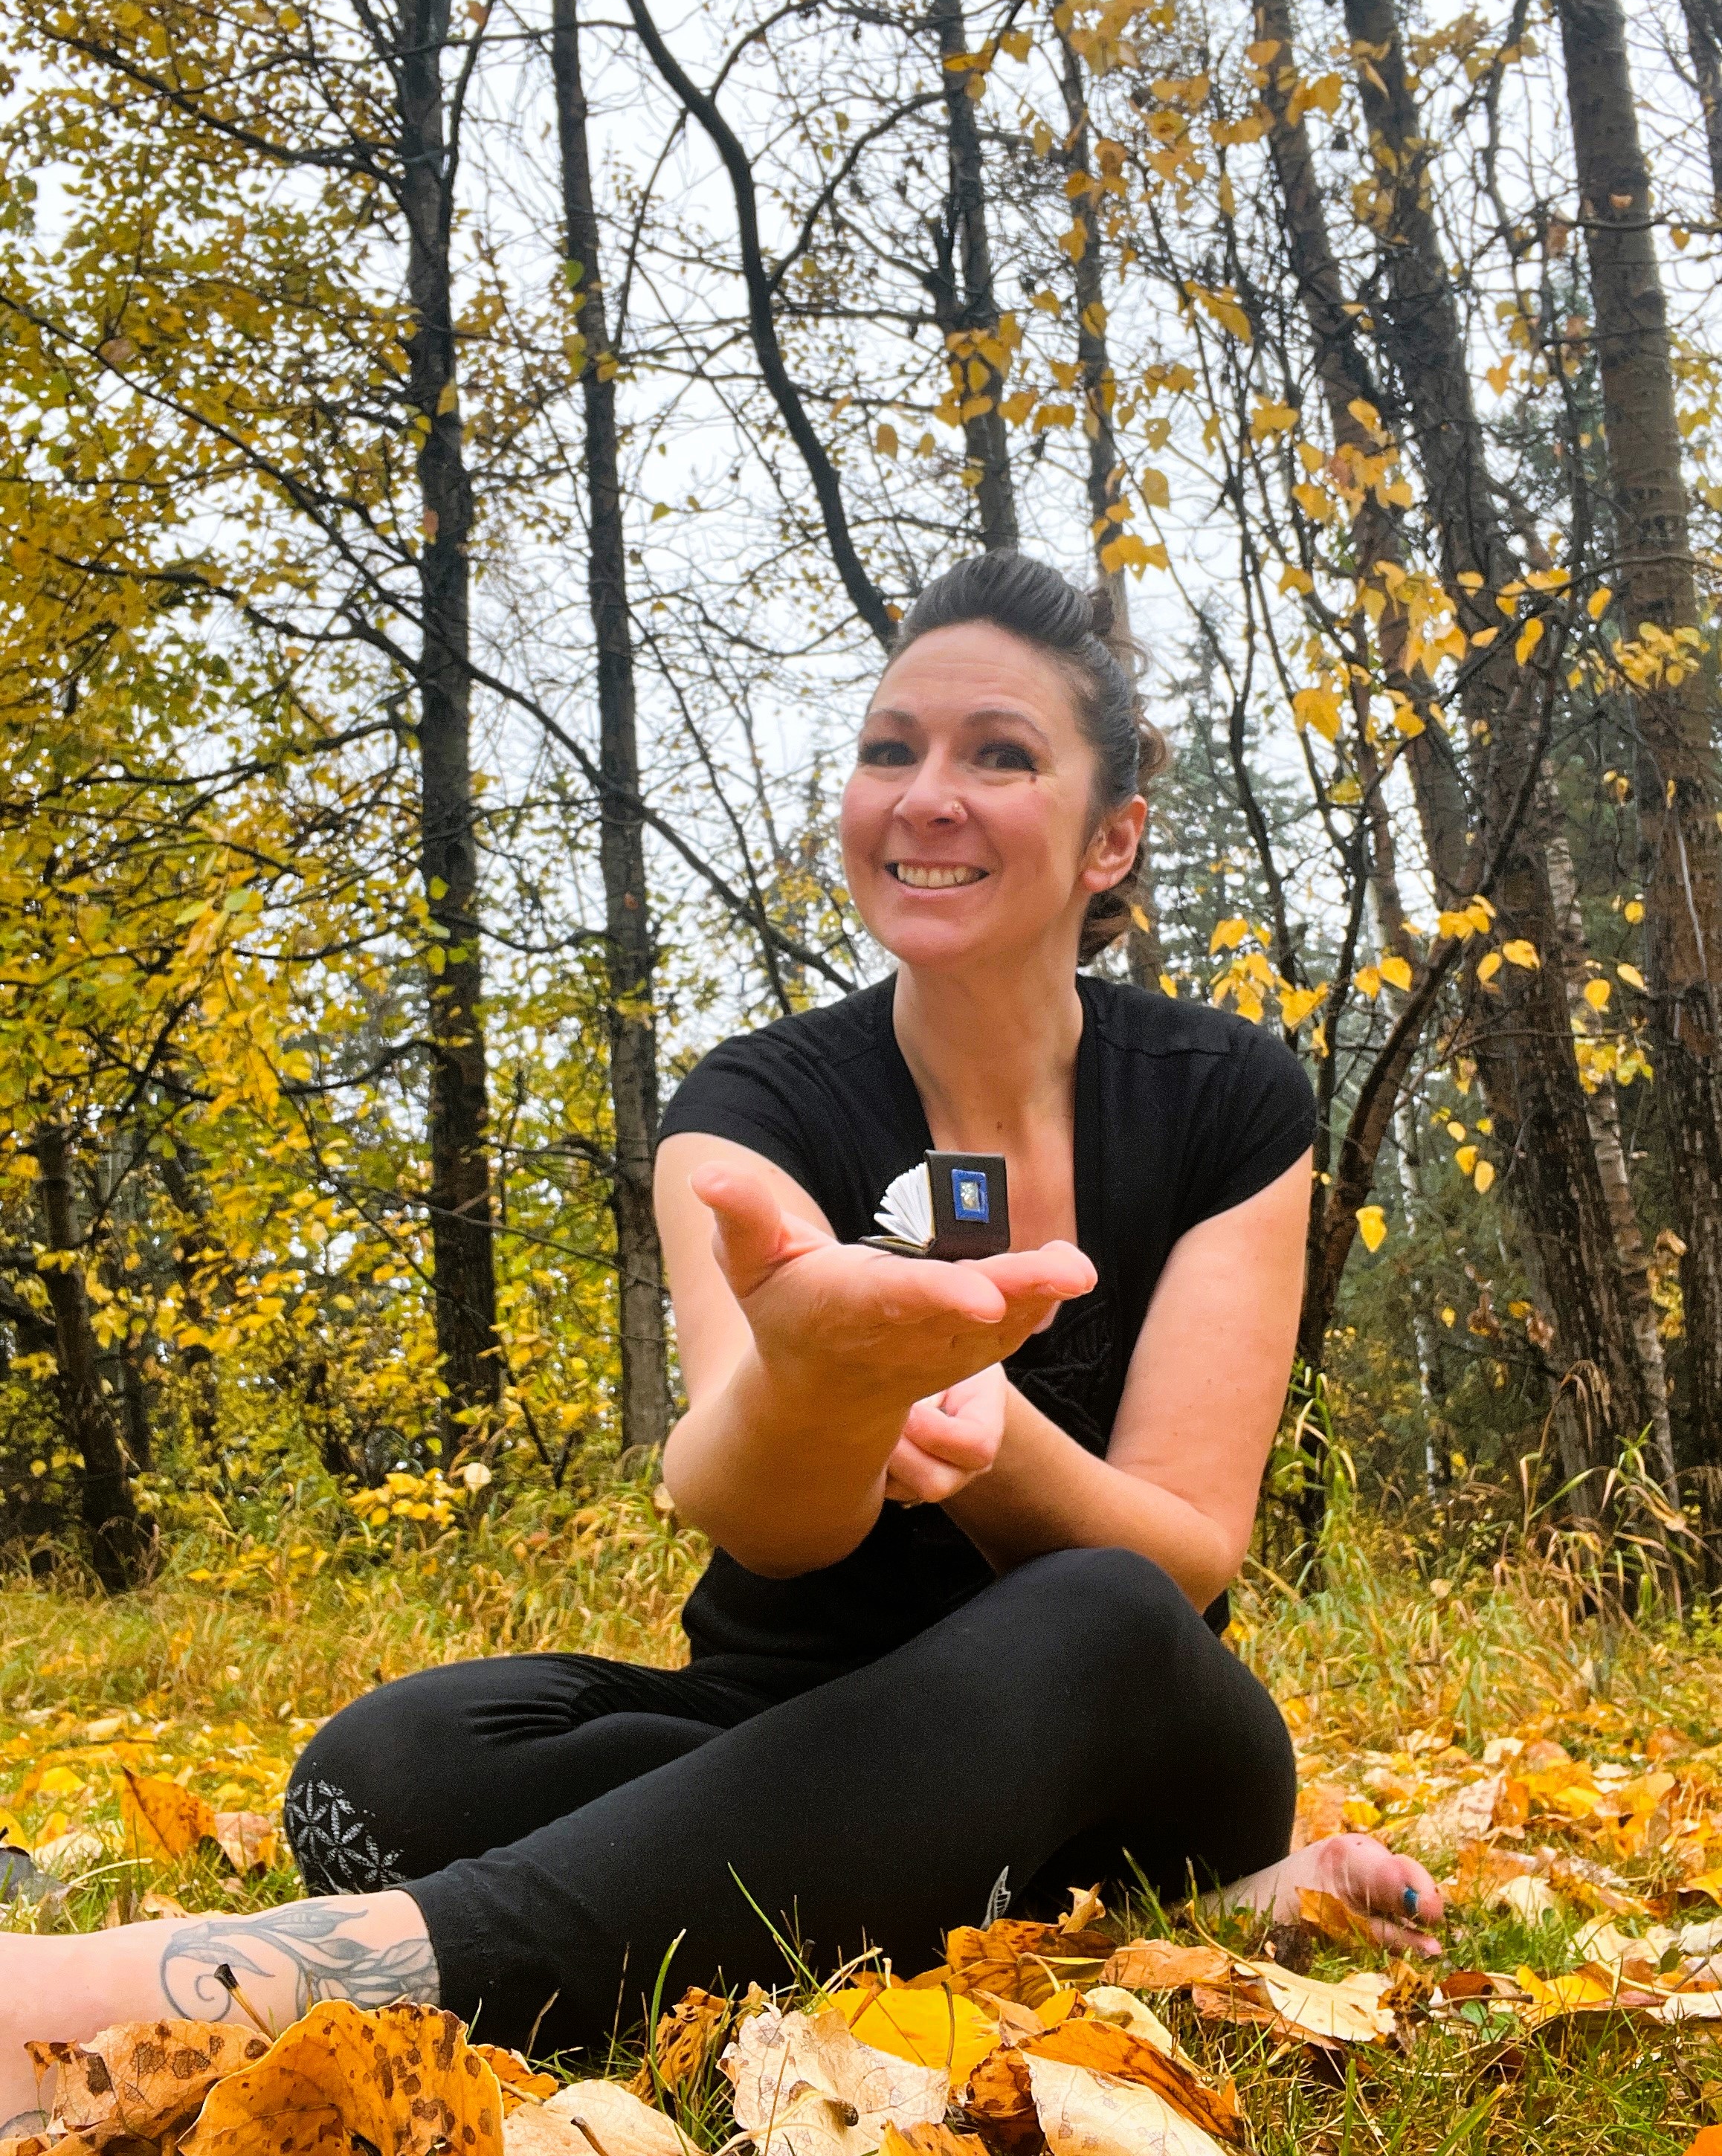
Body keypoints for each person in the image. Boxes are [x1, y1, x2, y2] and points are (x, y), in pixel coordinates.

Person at [0, 552, 1439, 2124]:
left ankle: (244, 1986)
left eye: (999, 754)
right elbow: (757, 1516)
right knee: (376, 1773)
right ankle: (1006, 1898)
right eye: (890, 748)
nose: (926, 796)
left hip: (1132, 1733)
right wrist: (827, 1385)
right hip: (780, 1714)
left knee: (1097, 1602)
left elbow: (1194, 1550)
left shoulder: (1228, 1097)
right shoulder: (752, 1108)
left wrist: (987, 1433)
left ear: (1113, 839)